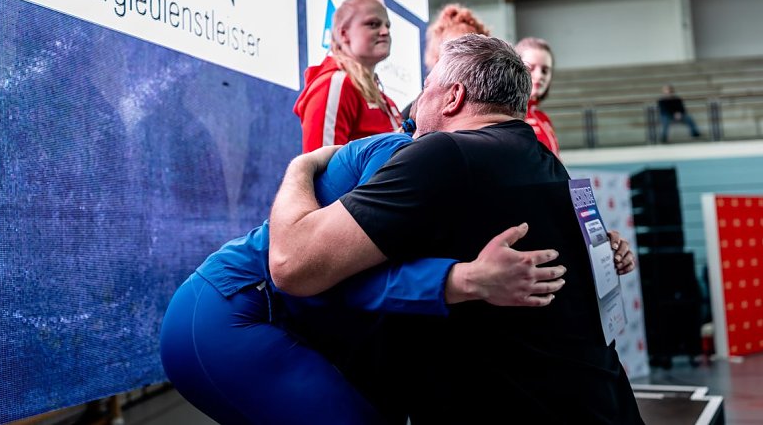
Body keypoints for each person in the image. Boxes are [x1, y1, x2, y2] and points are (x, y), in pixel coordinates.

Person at [270, 34, 644, 424]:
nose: (416, 103)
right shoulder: (544, 161)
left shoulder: (443, 155)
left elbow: (291, 265)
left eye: (427, 87)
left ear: (453, 97)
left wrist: (300, 167)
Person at [160, 126, 583, 424]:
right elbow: (338, 278)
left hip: (286, 315)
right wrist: (463, 280)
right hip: (233, 309)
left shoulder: (468, 169)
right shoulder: (402, 153)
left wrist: (598, 243)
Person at [294, 0, 402, 152]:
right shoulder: (335, 84)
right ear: (344, 34)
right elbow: (320, 168)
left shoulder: (387, 102)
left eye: (388, 26)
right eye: (373, 24)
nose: (385, 31)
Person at [401, 3, 490, 120]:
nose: (462, 57)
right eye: (453, 49)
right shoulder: (415, 113)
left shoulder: (492, 106)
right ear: (436, 58)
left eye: (471, 48)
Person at [515, 36, 560, 156]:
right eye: (530, 68)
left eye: (545, 70)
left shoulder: (544, 118)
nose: (539, 76)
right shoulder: (507, 117)